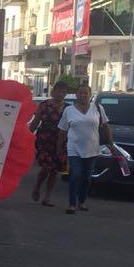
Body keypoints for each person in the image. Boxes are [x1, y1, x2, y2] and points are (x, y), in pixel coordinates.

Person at [57, 84, 110, 215]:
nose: (83, 95)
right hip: (73, 148)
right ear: (76, 95)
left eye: (86, 93)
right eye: (80, 93)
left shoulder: (98, 108)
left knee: (86, 177)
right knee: (75, 174)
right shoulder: (69, 110)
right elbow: (62, 130)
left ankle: (82, 201)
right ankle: (72, 204)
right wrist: (59, 147)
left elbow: (105, 126)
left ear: (90, 95)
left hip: (92, 148)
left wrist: (111, 144)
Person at [28, 81, 68, 207]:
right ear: (53, 91)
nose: (61, 94)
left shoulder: (68, 108)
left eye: (64, 92)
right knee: (46, 168)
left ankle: (47, 197)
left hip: (60, 141)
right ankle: (38, 186)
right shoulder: (44, 105)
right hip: (45, 140)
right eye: (59, 91)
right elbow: (35, 122)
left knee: (55, 170)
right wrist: (27, 138)